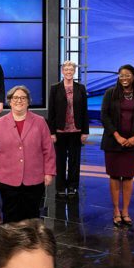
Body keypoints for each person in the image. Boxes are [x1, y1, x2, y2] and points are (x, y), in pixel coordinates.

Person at [0, 86, 55, 223]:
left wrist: (49, 172)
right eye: (15, 98)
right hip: (8, 179)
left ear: (28, 102)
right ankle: (11, 244)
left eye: (23, 98)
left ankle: (30, 243)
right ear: (9, 101)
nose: (19, 101)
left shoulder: (40, 122)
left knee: (32, 216)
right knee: (10, 215)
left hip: (34, 179)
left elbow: (48, 149)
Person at [100, 64, 134, 227]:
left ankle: (126, 211)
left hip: (133, 143)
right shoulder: (110, 93)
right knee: (115, 176)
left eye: (127, 75)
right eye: (121, 75)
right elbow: (105, 116)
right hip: (113, 142)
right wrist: (117, 136)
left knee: (128, 177)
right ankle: (116, 210)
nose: (124, 78)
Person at [47, 60, 89, 199]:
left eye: (71, 69)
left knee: (74, 161)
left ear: (74, 71)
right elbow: (51, 112)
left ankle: (72, 186)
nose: (69, 72)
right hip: (60, 131)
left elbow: (84, 111)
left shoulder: (80, 88)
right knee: (60, 160)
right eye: (66, 69)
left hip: (76, 130)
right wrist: (51, 132)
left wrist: (85, 131)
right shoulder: (55, 88)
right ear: (62, 71)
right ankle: (60, 187)